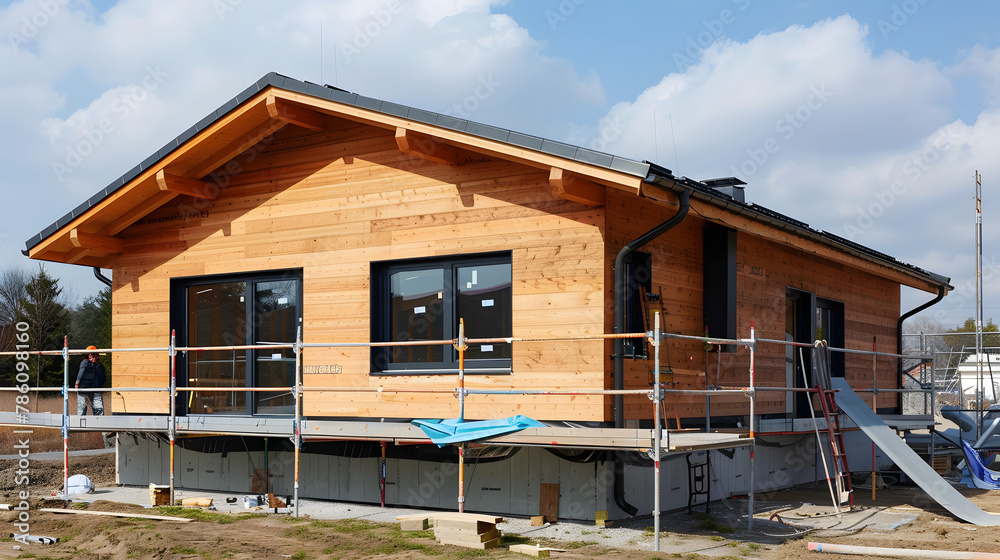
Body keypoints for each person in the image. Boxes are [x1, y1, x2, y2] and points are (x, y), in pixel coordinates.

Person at [75, 345, 105, 416]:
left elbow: (102, 377)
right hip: (83, 388)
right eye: (92, 354)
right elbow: (80, 373)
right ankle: (80, 424)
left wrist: (95, 364)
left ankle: (99, 423)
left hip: (95, 388)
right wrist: (77, 383)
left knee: (98, 409)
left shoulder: (98, 365)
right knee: (82, 408)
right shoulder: (85, 362)